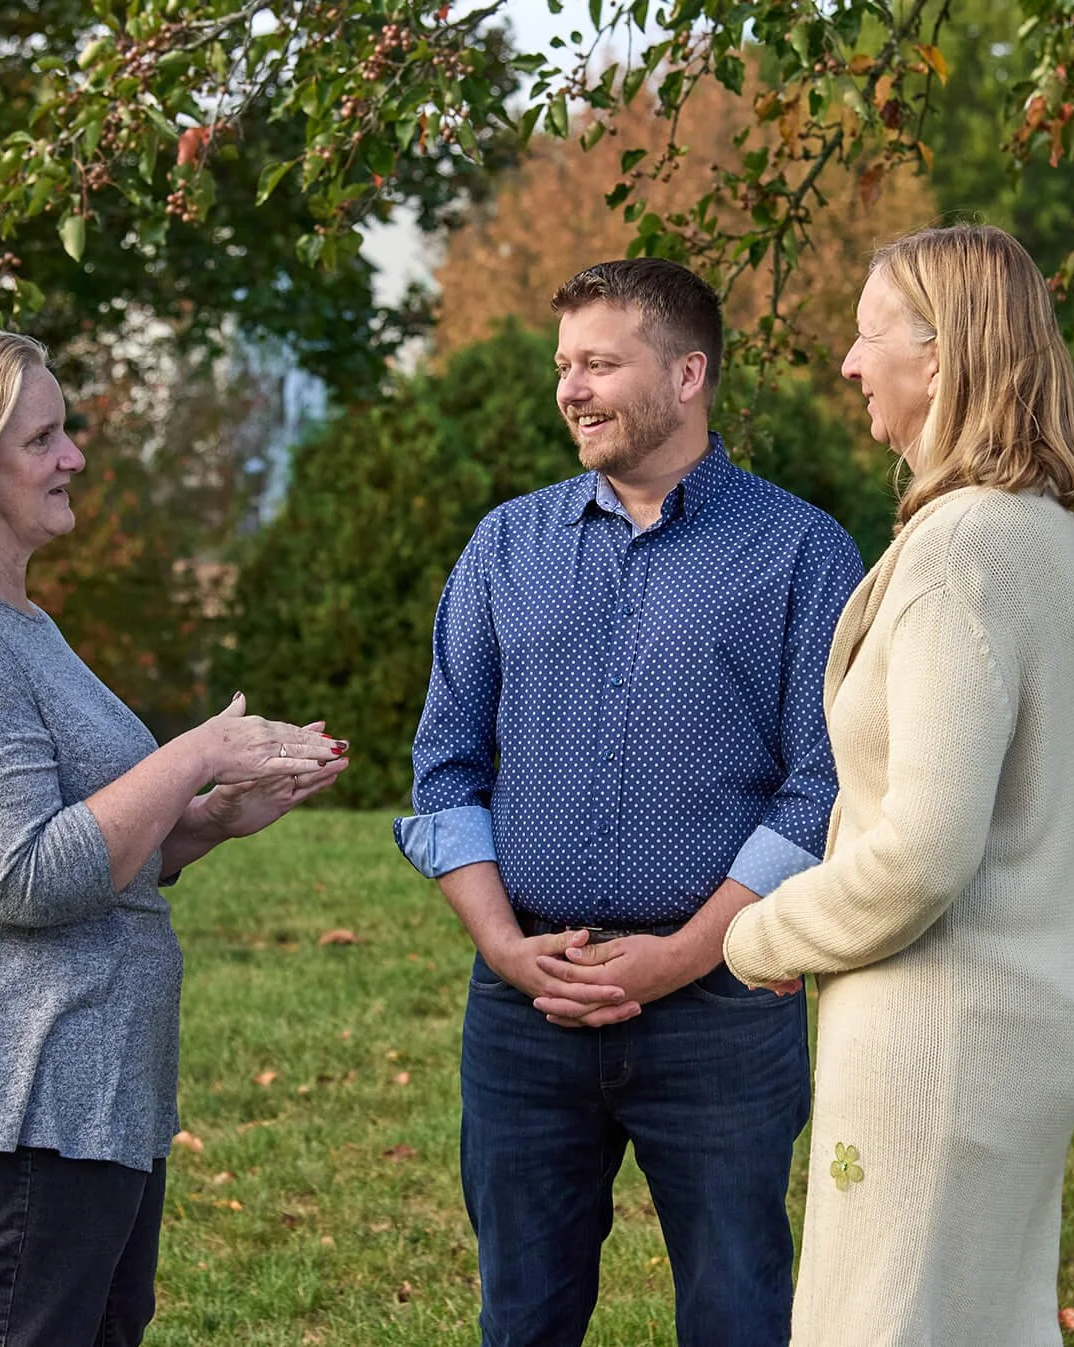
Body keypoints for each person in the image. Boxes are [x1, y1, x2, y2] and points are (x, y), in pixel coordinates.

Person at [0, 326, 347, 1345]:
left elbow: (84, 845)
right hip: (12, 1087)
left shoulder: (18, 625)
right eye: (42, 438)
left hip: (81, 1088)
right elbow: (24, 876)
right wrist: (192, 756)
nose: (74, 456)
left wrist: (213, 821)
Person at [393, 258, 864, 1346]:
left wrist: (688, 953)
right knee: (522, 1315)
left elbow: (820, 783)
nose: (572, 390)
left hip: (721, 1008)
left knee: (738, 1307)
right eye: (564, 366)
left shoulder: (800, 552)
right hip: (524, 1007)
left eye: (600, 364)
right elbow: (445, 766)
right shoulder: (504, 547)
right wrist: (506, 949)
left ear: (687, 372)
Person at [721, 224, 1074, 1346]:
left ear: (940, 357)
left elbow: (927, 847)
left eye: (867, 333)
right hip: (1024, 1016)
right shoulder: (1058, 534)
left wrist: (762, 937)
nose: (847, 363)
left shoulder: (961, 553)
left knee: (881, 1324)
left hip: (942, 1028)